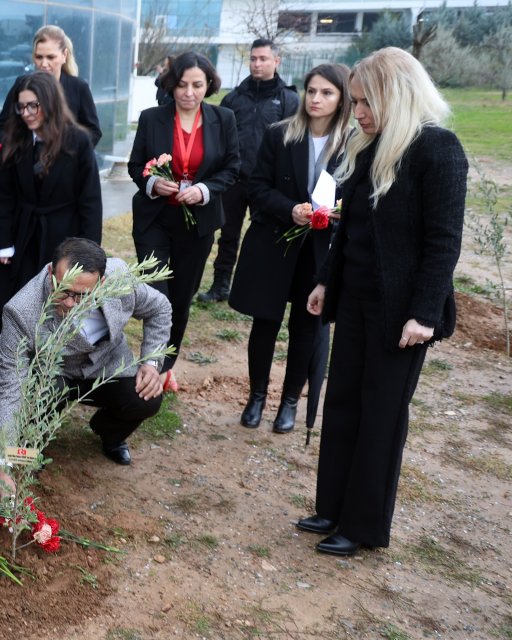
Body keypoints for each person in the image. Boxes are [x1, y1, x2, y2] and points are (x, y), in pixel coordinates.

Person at [297, 48, 466, 557]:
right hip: (355, 299)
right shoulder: (369, 145)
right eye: (356, 102)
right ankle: (332, 506)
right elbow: (350, 225)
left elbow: (443, 242)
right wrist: (327, 281)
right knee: (343, 399)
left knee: (381, 414)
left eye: (366, 102)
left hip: (402, 313)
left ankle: (363, 524)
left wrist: (424, 314)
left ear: (397, 95)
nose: (358, 112)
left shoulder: (439, 151)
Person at [229, 63, 351, 432]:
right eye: (311, 91)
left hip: (319, 252)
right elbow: (256, 187)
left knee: (306, 327)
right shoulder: (279, 134)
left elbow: (360, 200)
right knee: (265, 324)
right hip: (274, 244)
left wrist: (336, 215)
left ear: (342, 98)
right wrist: (290, 209)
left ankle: (290, 402)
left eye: (327, 93)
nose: (316, 99)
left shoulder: (354, 143)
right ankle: (257, 398)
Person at [0, 238, 170, 481]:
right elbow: (9, 386)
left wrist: (151, 362)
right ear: (51, 272)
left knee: (146, 399)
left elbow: (159, 308)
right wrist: (1, 464)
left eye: (81, 295)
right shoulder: (21, 311)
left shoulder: (120, 278)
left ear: (102, 284)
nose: (69, 303)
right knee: (34, 402)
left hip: (107, 366)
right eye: (63, 289)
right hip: (51, 377)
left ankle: (108, 433)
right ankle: (28, 453)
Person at [0, 71, 102, 393]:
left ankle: (45, 382)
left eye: (33, 106)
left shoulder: (78, 141)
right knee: (12, 307)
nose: (27, 113)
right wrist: (3, 244)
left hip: (64, 239)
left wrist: (87, 256)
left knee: (55, 306)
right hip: (23, 236)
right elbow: (1, 195)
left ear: (51, 104)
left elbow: (90, 203)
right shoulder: (15, 141)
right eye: (21, 107)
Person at [127, 51, 240, 390]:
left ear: (209, 85)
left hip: (198, 223)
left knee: (180, 297)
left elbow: (232, 168)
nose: (188, 92)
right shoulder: (151, 118)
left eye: (197, 85)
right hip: (155, 220)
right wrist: (151, 183)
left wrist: (205, 189)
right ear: (171, 85)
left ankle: (165, 366)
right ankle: (153, 364)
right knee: (157, 295)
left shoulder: (225, 119)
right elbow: (135, 166)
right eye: (181, 84)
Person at [198, 39, 299, 303]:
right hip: (234, 179)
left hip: (268, 184)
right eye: (253, 58)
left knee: (265, 237)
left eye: (263, 58)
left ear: (277, 61)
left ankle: (262, 287)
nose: (257, 63)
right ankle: (221, 284)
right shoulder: (234, 98)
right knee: (227, 233)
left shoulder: (289, 99)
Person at [0, 25, 101, 148]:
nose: (44, 64)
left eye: (50, 57)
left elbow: (94, 131)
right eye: (39, 57)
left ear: (64, 55)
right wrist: (15, 153)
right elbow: (2, 127)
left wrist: (72, 154)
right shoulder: (21, 85)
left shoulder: (79, 88)